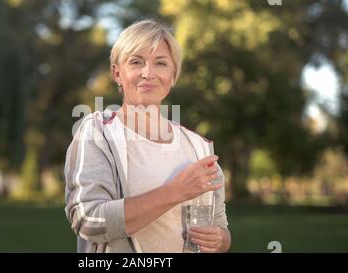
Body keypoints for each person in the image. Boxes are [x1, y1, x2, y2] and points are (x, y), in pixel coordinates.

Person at [64, 19, 231, 253]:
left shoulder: (198, 147)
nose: (148, 73)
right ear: (117, 73)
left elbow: (220, 226)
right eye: (136, 62)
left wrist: (220, 240)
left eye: (161, 63)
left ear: (173, 76)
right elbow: (89, 220)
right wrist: (175, 192)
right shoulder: (97, 133)